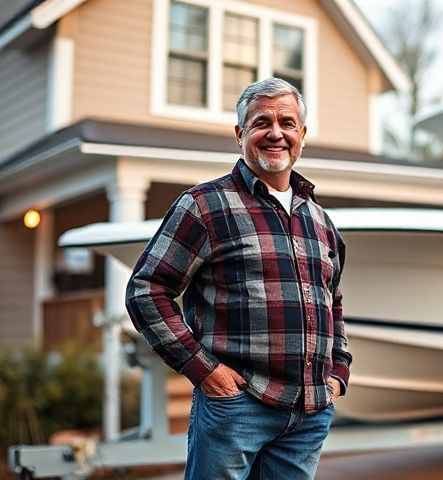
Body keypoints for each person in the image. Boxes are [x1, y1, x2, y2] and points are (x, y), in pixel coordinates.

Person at [125, 77, 351, 479]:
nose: (276, 132)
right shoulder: (204, 206)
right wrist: (203, 370)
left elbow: (332, 302)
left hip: (309, 412)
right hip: (237, 405)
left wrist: (338, 374)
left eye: (287, 122)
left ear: (302, 135)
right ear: (239, 134)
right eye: (262, 122)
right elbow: (147, 289)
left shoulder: (319, 219)